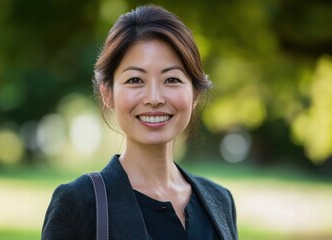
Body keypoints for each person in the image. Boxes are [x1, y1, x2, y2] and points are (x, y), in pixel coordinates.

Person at [42, 4, 237, 240]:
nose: (154, 98)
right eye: (135, 79)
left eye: (171, 79)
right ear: (107, 93)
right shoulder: (80, 203)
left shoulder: (219, 201)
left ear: (194, 94)